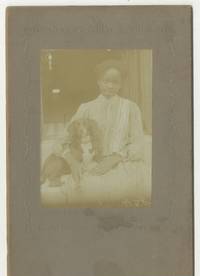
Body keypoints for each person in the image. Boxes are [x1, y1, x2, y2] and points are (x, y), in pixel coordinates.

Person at [42, 59, 151, 206]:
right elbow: (63, 140)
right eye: (106, 81)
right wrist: (72, 161)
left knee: (122, 188)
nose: (110, 85)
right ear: (98, 81)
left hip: (123, 163)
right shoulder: (86, 108)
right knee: (84, 188)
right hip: (91, 164)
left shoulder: (131, 108)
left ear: (121, 84)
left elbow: (138, 143)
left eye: (115, 82)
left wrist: (114, 159)